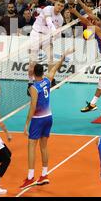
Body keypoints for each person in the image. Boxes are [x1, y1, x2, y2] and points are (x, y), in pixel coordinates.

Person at [20, 48, 74, 189]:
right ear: (42, 72)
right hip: (49, 117)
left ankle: (30, 177)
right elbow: (56, 67)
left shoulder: (33, 88)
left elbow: (32, 107)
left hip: (38, 119)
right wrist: (63, 55)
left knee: (31, 146)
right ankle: (44, 174)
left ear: (33, 73)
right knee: (44, 146)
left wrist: (26, 124)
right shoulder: (48, 80)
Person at [70, 1, 101, 117]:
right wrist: (80, 1)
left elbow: (86, 21)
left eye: (97, 20)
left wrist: (75, 12)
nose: (94, 20)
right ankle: (92, 104)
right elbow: (89, 12)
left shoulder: (100, 30)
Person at [27, 0, 65, 93]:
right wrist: (53, 30)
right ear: (55, 4)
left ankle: (50, 80)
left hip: (47, 37)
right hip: (36, 34)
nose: (59, 7)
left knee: (51, 59)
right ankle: (30, 83)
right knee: (32, 62)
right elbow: (49, 21)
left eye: (62, 6)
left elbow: (58, 31)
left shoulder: (60, 18)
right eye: (58, 4)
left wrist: (55, 37)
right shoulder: (48, 9)